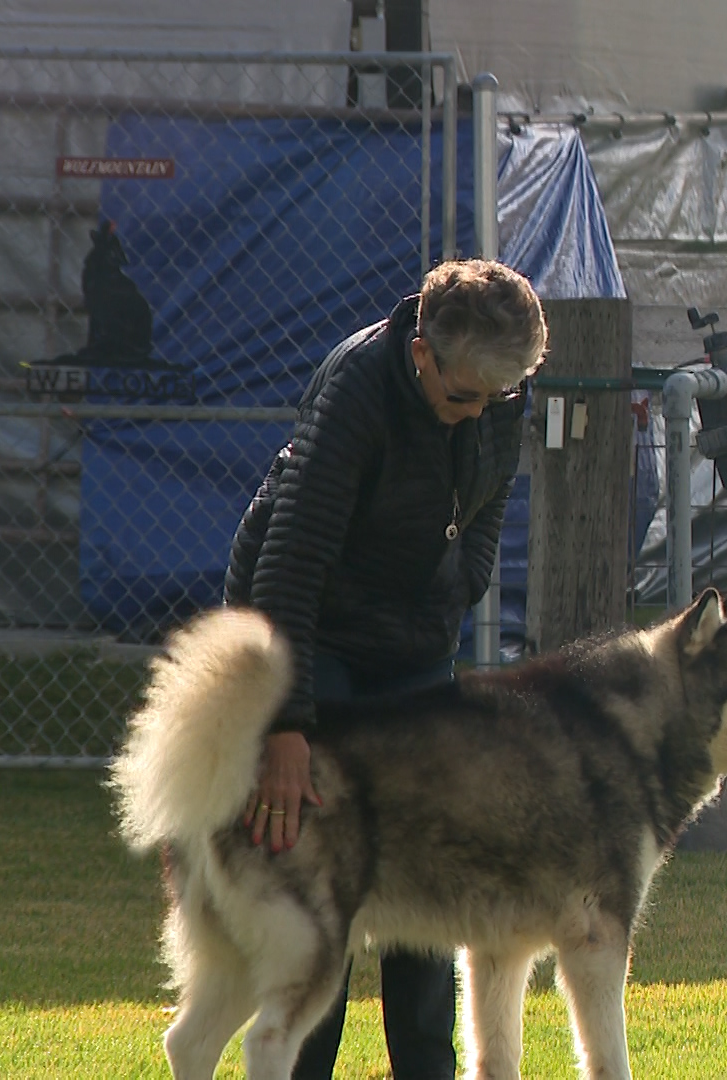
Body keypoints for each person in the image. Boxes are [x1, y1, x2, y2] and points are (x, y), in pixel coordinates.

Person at [222, 258, 547, 1079]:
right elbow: (286, 565)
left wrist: (456, 584)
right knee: (320, 890)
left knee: (429, 878)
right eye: (463, 398)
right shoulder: (358, 391)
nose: (479, 413)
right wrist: (288, 726)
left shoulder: (499, 394)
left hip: (413, 647)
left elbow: (486, 513)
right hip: (312, 636)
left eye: (498, 399)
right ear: (422, 357)